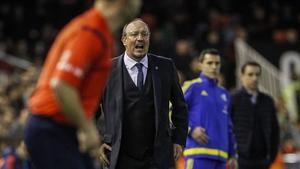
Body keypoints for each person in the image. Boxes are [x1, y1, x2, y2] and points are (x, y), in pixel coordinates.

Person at [24, 0, 142, 169]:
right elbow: (63, 85)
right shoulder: (90, 32)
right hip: (51, 128)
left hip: (62, 128)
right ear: (121, 4)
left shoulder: (98, 32)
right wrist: (87, 129)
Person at [98, 18, 188, 169]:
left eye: (144, 34)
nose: (140, 38)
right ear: (124, 40)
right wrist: (98, 141)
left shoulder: (166, 66)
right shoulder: (107, 70)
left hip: (157, 156)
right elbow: (91, 109)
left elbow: (180, 107)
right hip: (118, 154)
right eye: (134, 34)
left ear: (149, 39)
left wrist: (178, 140)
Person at [182, 48, 237, 169]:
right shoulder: (192, 87)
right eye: (209, 63)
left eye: (217, 63)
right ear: (200, 65)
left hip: (221, 158)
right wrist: (190, 130)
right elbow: (171, 112)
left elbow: (228, 126)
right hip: (197, 154)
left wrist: (233, 154)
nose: (214, 67)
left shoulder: (225, 94)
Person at [230, 61, 279, 169]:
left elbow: (275, 130)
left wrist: (272, 156)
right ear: (242, 76)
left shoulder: (267, 101)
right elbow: (227, 128)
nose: (254, 78)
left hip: (263, 159)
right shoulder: (233, 99)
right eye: (250, 74)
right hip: (240, 159)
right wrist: (231, 155)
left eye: (257, 74)